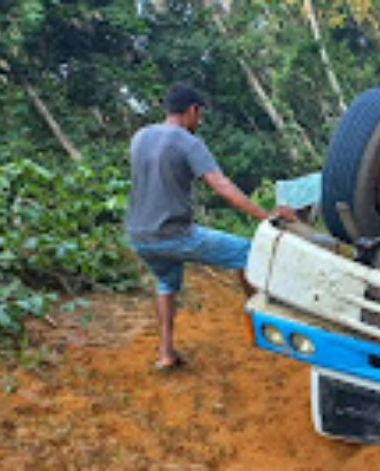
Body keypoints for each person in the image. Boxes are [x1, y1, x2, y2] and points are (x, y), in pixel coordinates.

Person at [126, 83, 296, 371]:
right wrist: (265, 215)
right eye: (200, 115)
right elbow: (221, 186)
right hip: (175, 235)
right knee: (249, 253)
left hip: (139, 236)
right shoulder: (187, 142)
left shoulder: (140, 137)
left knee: (166, 282)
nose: (200, 122)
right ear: (192, 110)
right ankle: (263, 324)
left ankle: (166, 353)